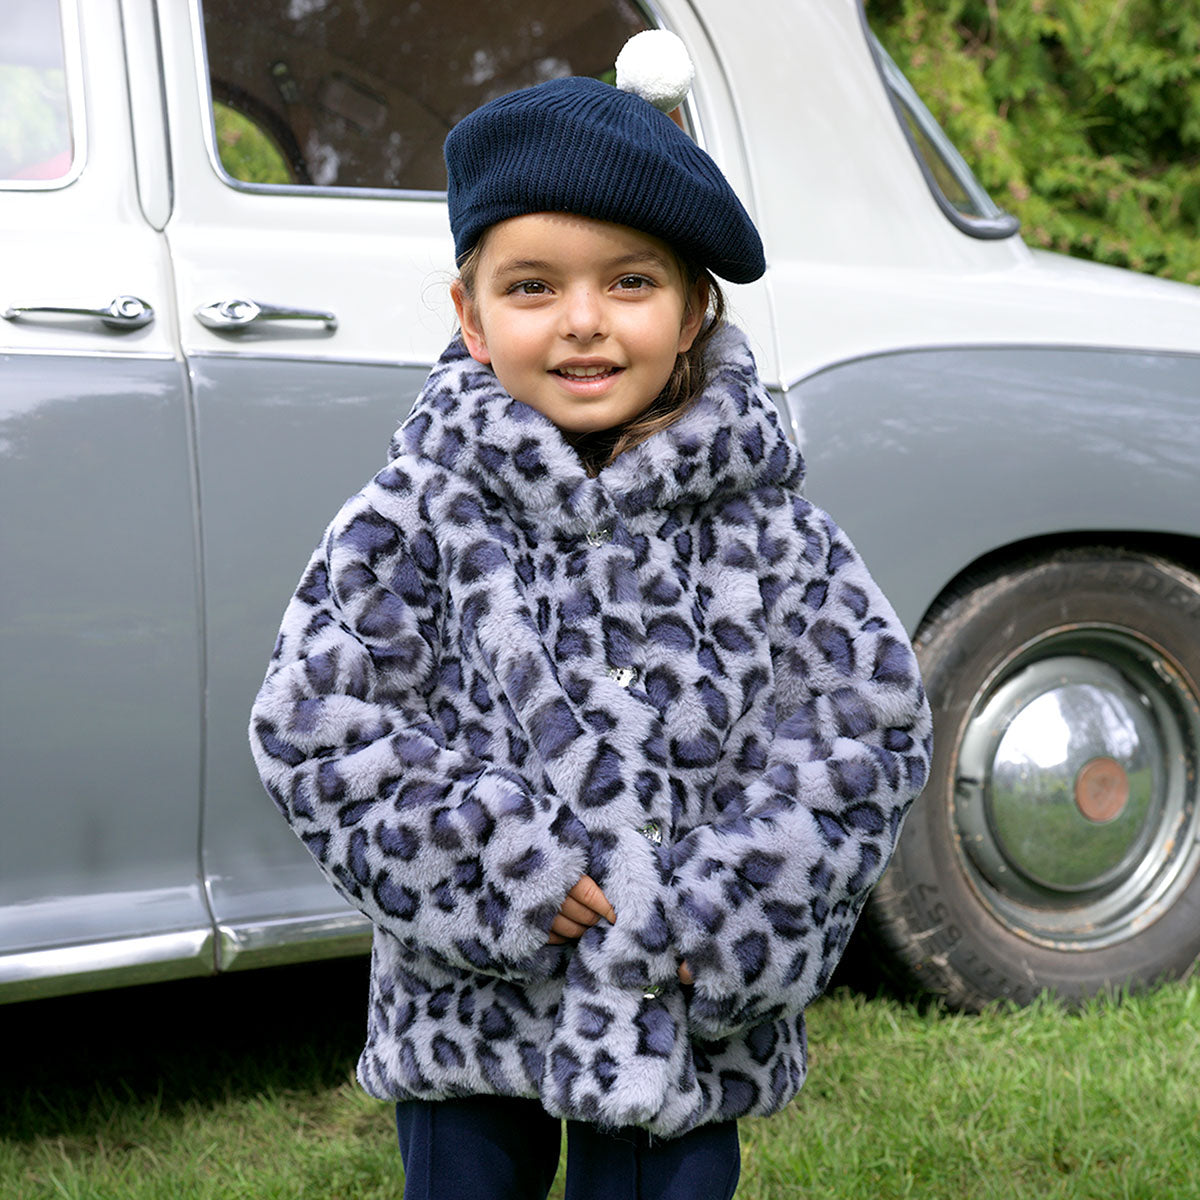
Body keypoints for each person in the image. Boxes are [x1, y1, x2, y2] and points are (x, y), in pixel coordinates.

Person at [249, 29, 932, 1200]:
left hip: (679, 1011)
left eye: (629, 280)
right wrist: (491, 856)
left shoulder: (771, 532)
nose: (583, 321)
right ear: (470, 315)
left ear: (693, 307)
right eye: (532, 287)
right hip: (470, 1012)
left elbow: (866, 730)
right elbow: (314, 722)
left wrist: (728, 908)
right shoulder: (416, 515)